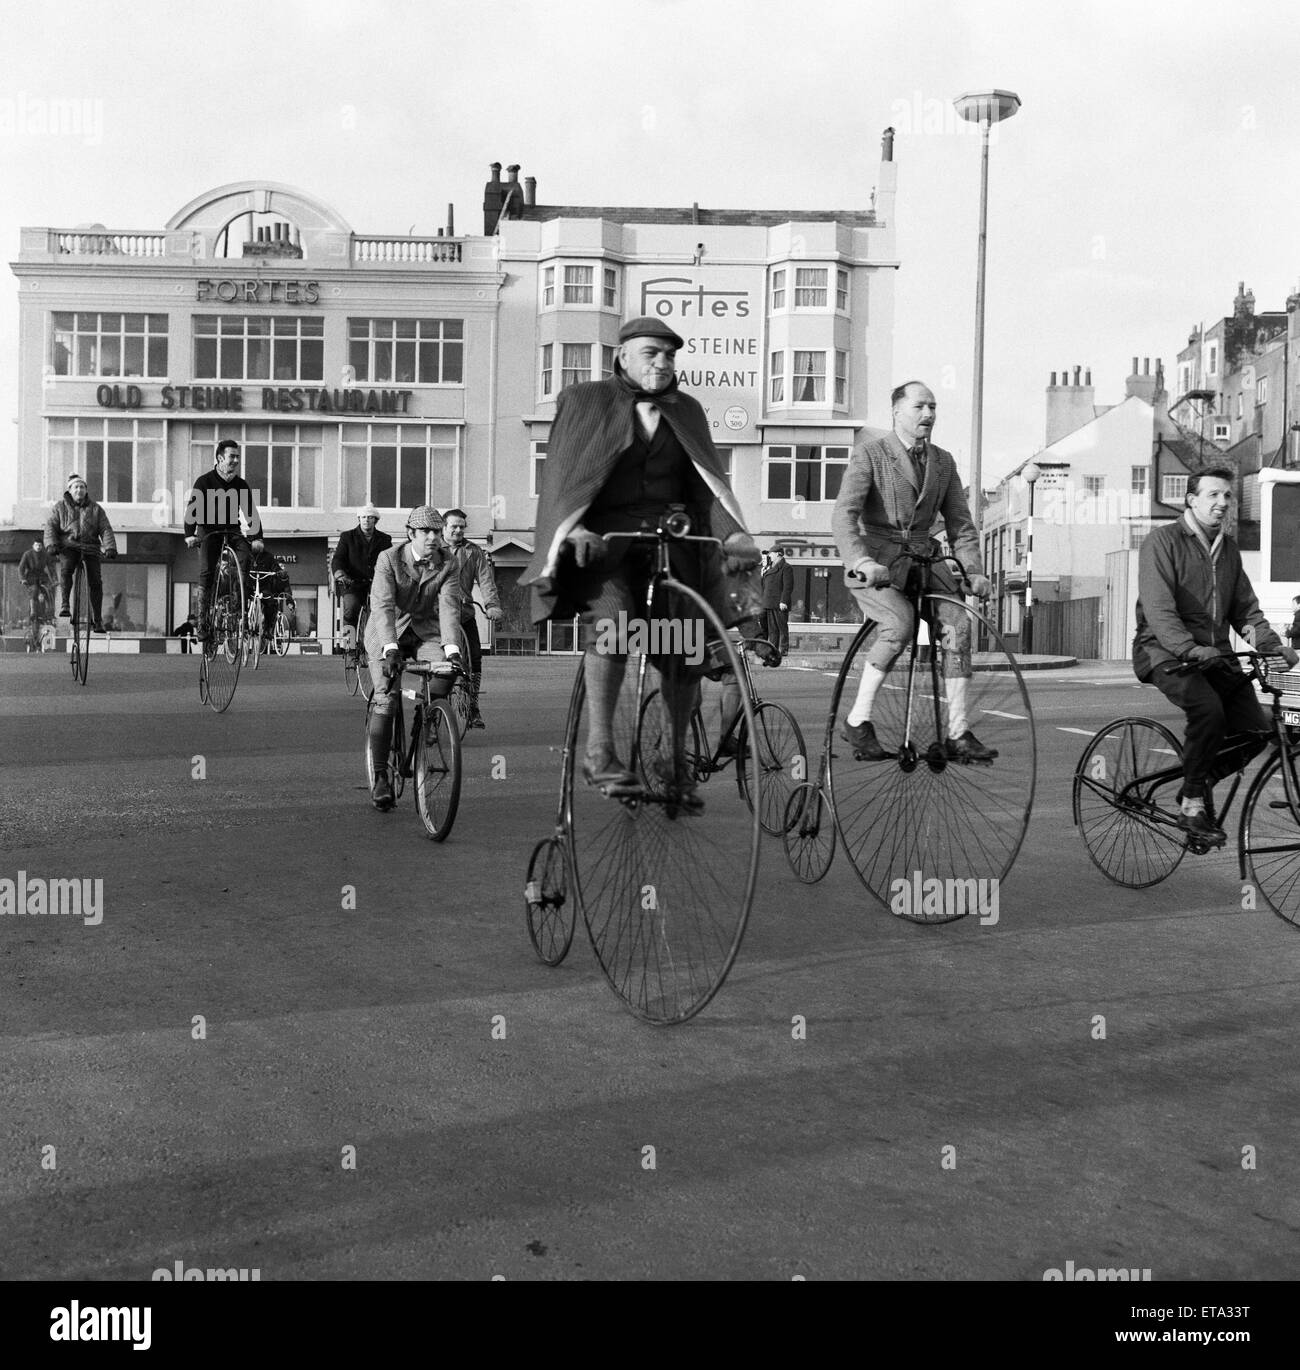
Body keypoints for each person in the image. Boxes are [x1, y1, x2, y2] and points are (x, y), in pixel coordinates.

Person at [521, 315, 761, 804]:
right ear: (623, 356)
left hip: (673, 545)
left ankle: (672, 760)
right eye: (651, 352)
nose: (663, 361)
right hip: (608, 545)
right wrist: (577, 529)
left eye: (670, 354)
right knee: (613, 627)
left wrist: (734, 536)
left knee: (684, 650)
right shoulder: (586, 400)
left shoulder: (687, 410)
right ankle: (600, 752)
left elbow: (705, 487)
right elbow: (565, 476)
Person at [831, 381, 994, 762]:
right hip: (878, 562)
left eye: (933, 407)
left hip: (925, 557)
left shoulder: (943, 461)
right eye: (920, 406)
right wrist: (861, 561)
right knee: (899, 623)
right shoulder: (871, 454)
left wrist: (974, 571)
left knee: (959, 625)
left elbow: (961, 524)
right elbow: (844, 515)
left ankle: (958, 732)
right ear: (896, 411)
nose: (929, 415)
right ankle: (858, 720)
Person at [1133, 467, 1298, 843]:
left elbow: (1245, 612)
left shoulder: (1228, 550)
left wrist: (1271, 647)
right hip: (1163, 652)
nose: (1223, 503)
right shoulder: (1162, 542)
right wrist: (1188, 648)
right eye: (1213, 495)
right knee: (1209, 711)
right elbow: (1160, 612)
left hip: (1215, 656)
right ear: (1191, 500)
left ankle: (1199, 777)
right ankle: (1192, 804)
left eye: (1227, 496)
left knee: (1257, 729)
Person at [364, 505, 465, 811]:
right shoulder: (389, 559)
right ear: (410, 534)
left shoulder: (448, 562)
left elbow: (449, 608)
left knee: (447, 671)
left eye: (437, 531)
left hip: (425, 632)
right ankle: (381, 776)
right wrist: (390, 648)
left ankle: (427, 718)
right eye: (426, 532)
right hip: (388, 632)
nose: (433, 537)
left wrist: (453, 650)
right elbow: (381, 606)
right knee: (387, 699)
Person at [183, 439, 263, 641]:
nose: (236, 460)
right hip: (208, 530)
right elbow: (192, 510)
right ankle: (202, 623)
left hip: (232, 530)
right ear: (220, 458)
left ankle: (238, 612)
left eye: (238, 457)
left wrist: (257, 538)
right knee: (207, 571)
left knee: (246, 558)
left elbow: (250, 513)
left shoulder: (240, 484)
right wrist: (189, 535)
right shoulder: (204, 482)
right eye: (232, 457)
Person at [443, 508, 503, 729]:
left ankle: (473, 706)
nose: (458, 530)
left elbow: (486, 580)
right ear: (443, 528)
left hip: (464, 612)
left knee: (475, 659)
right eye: (453, 526)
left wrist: (492, 605)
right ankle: (431, 713)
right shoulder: (433, 549)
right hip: (437, 616)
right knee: (437, 664)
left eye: (461, 527)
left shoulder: (473, 551)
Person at [44, 474, 117, 632]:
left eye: (82, 487)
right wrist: (51, 544)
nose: (79, 489)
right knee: (66, 569)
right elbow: (50, 527)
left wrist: (109, 547)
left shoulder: (96, 509)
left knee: (96, 582)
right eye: (76, 487)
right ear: (69, 490)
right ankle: (65, 605)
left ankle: (97, 620)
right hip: (69, 546)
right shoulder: (59, 507)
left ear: (86, 490)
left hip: (91, 547)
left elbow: (105, 528)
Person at [332, 503, 391, 650]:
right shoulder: (347, 537)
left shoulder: (385, 539)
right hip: (352, 583)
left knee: (380, 613)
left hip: (376, 584)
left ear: (375, 520)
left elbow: (390, 561)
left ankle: (377, 646)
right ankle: (349, 643)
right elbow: (338, 559)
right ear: (359, 519)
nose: (366, 520)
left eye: (370, 517)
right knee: (351, 608)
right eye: (363, 517)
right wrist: (341, 575)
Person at [249, 544, 290, 647]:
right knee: (242, 598)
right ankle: (244, 623)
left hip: (263, 588)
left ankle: (268, 629)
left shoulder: (269, 557)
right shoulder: (246, 553)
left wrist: (279, 573)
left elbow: (287, 588)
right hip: (249, 585)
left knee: (271, 603)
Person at [761, 547, 794, 657]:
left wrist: (784, 600)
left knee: (782, 627)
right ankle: (773, 649)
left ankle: (783, 649)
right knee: (772, 629)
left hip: (779, 603)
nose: (770, 555)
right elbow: (764, 585)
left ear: (779, 554)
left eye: (772, 553)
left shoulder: (786, 567)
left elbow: (788, 586)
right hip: (770, 602)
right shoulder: (769, 568)